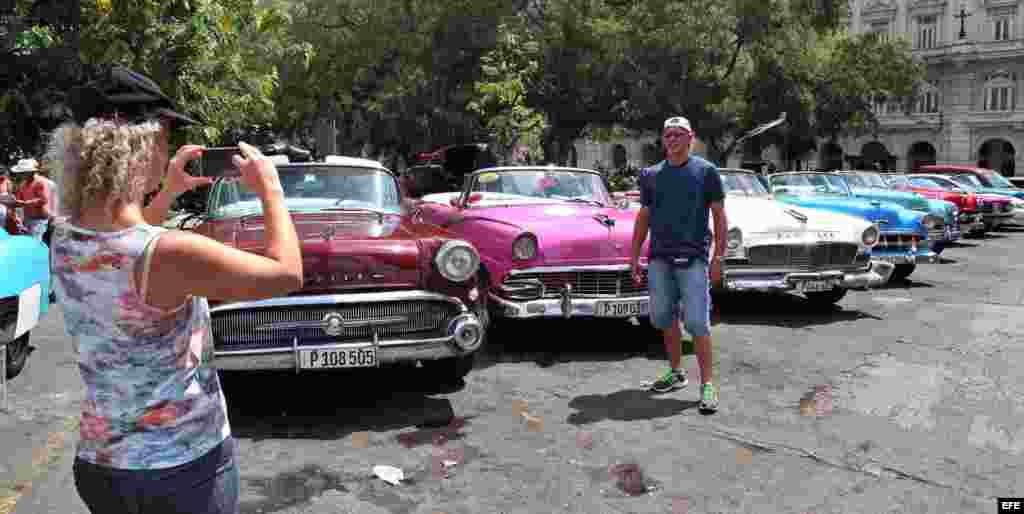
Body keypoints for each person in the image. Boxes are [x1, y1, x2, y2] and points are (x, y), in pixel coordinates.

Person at [48, 65, 303, 514]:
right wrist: (272, 192)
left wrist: (165, 192)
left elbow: (123, 240)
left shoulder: (64, 238)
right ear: (140, 149)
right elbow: (286, 273)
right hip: (181, 471)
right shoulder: (171, 253)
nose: (165, 155)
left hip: (102, 466)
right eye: (163, 144)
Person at [629, 116, 727, 414]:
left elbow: (720, 217)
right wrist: (634, 256)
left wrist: (718, 258)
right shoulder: (651, 175)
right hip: (660, 259)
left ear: (690, 137)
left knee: (697, 322)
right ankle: (675, 372)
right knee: (663, 317)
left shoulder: (706, 172)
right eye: (667, 135)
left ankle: (707, 384)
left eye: (677, 135)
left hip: (694, 259)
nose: (671, 140)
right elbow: (643, 217)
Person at [10, 158, 53, 240]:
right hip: (27, 219)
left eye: (22, 172)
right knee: (28, 241)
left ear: (30, 171)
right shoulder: (23, 184)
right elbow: (19, 199)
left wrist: (26, 203)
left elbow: (43, 200)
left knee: (35, 243)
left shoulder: (40, 182)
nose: (21, 174)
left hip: (39, 220)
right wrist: (13, 204)